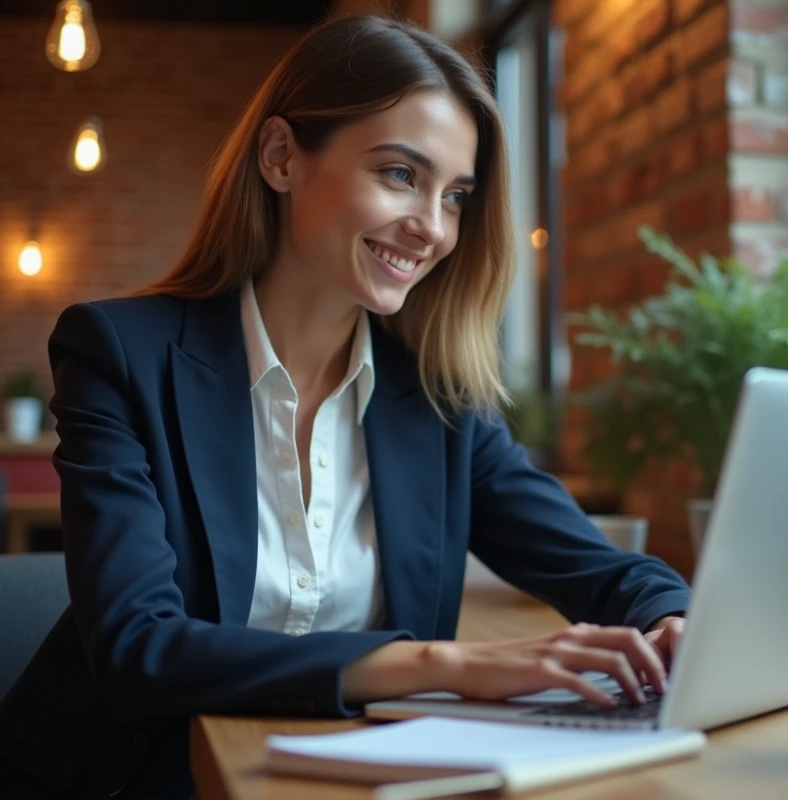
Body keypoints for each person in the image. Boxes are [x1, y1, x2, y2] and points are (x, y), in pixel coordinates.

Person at [0, 15, 690, 799]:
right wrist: (444, 665)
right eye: (399, 174)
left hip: (335, 779)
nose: (431, 227)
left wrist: (673, 623)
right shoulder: (121, 354)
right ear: (281, 157)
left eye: (455, 196)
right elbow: (139, 650)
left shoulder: (440, 399)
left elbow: (608, 572)